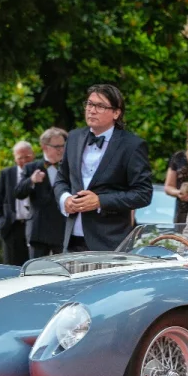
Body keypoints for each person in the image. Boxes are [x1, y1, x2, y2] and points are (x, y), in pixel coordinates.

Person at [53, 84, 153, 252]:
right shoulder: (74, 137)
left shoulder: (132, 145)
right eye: (89, 104)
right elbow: (61, 179)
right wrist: (65, 199)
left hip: (110, 242)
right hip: (71, 238)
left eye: (100, 106)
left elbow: (143, 193)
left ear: (116, 113)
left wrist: (100, 201)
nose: (92, 110)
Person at [14, 127, 67, 258]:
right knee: (36, 269)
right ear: (44, 147)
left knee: (64, 268)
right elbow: (18, 192)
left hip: (62, 229)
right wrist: (31, 180)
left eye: (63, 146)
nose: (61, 150)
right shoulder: (31, 167)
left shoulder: (69, 167)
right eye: (57, 146)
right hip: (38, 230)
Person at [0, 141, 37, 265]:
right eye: (20, 158)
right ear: (14, 158)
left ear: (33, 155)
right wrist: (2, 221)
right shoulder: (6, 174)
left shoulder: (40, 173)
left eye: (27, 157)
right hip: (12, 227)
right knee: (12, 267)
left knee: (34, 265)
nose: (24, 161)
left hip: (35, 227)